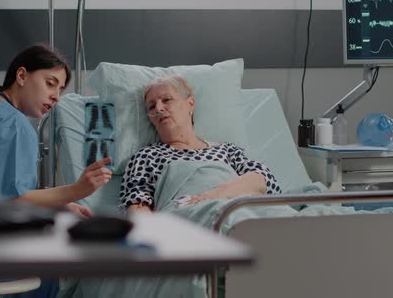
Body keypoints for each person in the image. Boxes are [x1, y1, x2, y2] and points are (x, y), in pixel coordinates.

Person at [0, 43, 112, 298]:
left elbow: (0, 191)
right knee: (53, 259)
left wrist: (57, 205)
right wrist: (76, 190)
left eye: (61, 89)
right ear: (22, 76)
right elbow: (12, 199)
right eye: (50, 83)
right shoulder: (12, 123)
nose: (57, 96)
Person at [120, 75, 280, 213]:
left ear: (190, 104)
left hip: (240, 210)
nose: (159, 108)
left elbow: (263, 180)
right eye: (151, 106)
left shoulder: (227, 150)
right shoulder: (147, 156)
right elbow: (137, 205)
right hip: (190, 219)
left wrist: (208, 197)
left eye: (166, 100)